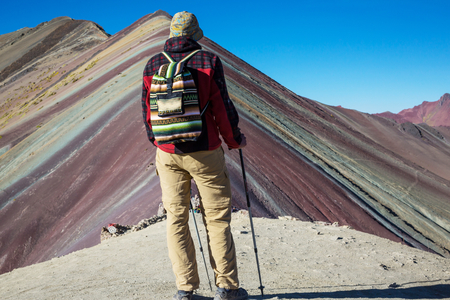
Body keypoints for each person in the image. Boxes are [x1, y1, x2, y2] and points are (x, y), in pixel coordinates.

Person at [141, 11, 248, 300]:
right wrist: (234, 140)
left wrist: (160, 142)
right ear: (194, 34)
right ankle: (226, 288)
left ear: (172, 34)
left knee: (176, 220)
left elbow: (146, 113)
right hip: (205, 152)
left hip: (168, 155)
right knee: (216, 220)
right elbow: (222, 107)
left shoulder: (152, 64)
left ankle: (185, 290)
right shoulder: (208, 61)